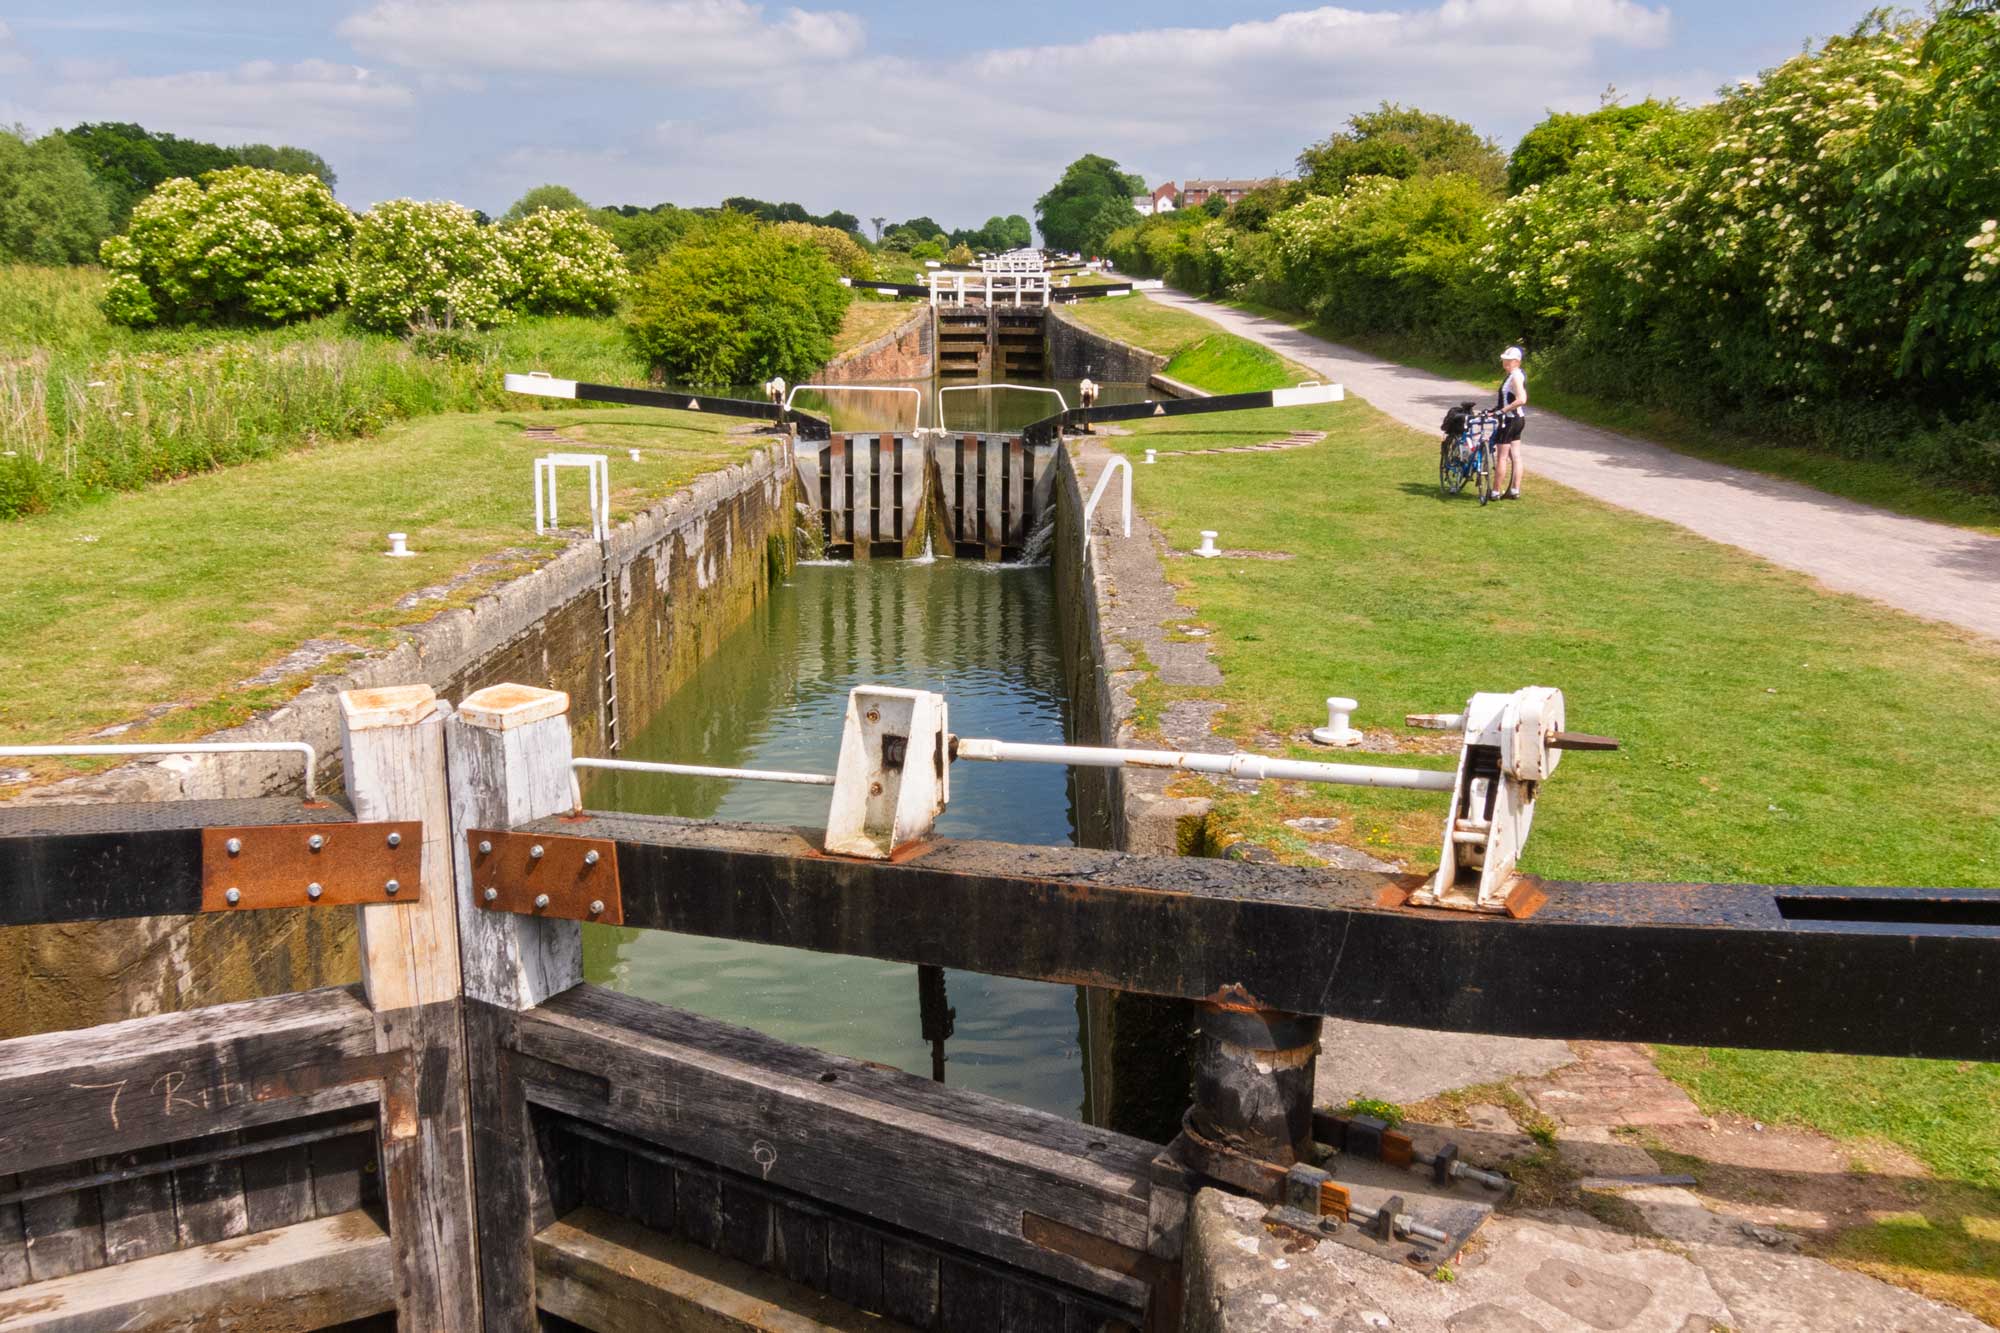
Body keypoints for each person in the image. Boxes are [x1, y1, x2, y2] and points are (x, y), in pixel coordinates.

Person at [1494, 346, 1528, 499]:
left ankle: (1495, 491)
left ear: (1516, 361)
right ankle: (1515, 490)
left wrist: (1503, 411)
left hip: (1509, 420)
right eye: (1504, 360)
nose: (1505, 363)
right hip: (1518, 419)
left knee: (1502, 456)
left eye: (1508, 360)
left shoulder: (1515, 376)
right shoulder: (1516, 374)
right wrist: (1494, 410)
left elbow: (1521, 399)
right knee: (1515, 455)